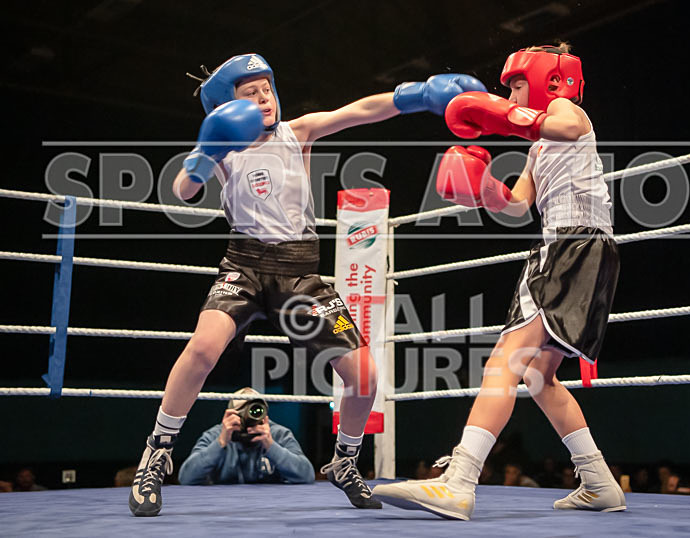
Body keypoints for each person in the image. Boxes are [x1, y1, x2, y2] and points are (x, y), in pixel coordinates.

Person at [127, 52, 486, 517]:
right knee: (201, 349)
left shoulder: (297, 132)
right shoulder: (223, 147)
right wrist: (200, 160)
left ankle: (344, 461)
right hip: (245, 267)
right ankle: (155, 455)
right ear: (227, 107)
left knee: (365, 377)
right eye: (249, 93)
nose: (263, 99)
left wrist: (418, 95)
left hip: (301, 275)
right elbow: (182, 191)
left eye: (267, 90)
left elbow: (359, 110)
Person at [372, 43, 623, 520]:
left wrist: (503, 115)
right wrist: (481, 184)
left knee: (505, 362)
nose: (508, 93)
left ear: (549, 79)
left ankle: (459, 482)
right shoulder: (537, 147)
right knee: (537, 374)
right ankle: (599, 481)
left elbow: (566, 124)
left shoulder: (568, 112)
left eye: (515, 84)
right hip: (566, 248)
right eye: (506, 88)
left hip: (577, 244)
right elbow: (516, 206)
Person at [178, 388, 314, 485]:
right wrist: (220, 443)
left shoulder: (278, 434)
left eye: (257, 410)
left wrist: (271, 446)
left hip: (272, 507)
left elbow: (307, 475)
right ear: (232, 414)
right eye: (245, 410)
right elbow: (186, 477)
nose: (252, 415)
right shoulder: (217, 434)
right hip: (224, 507)